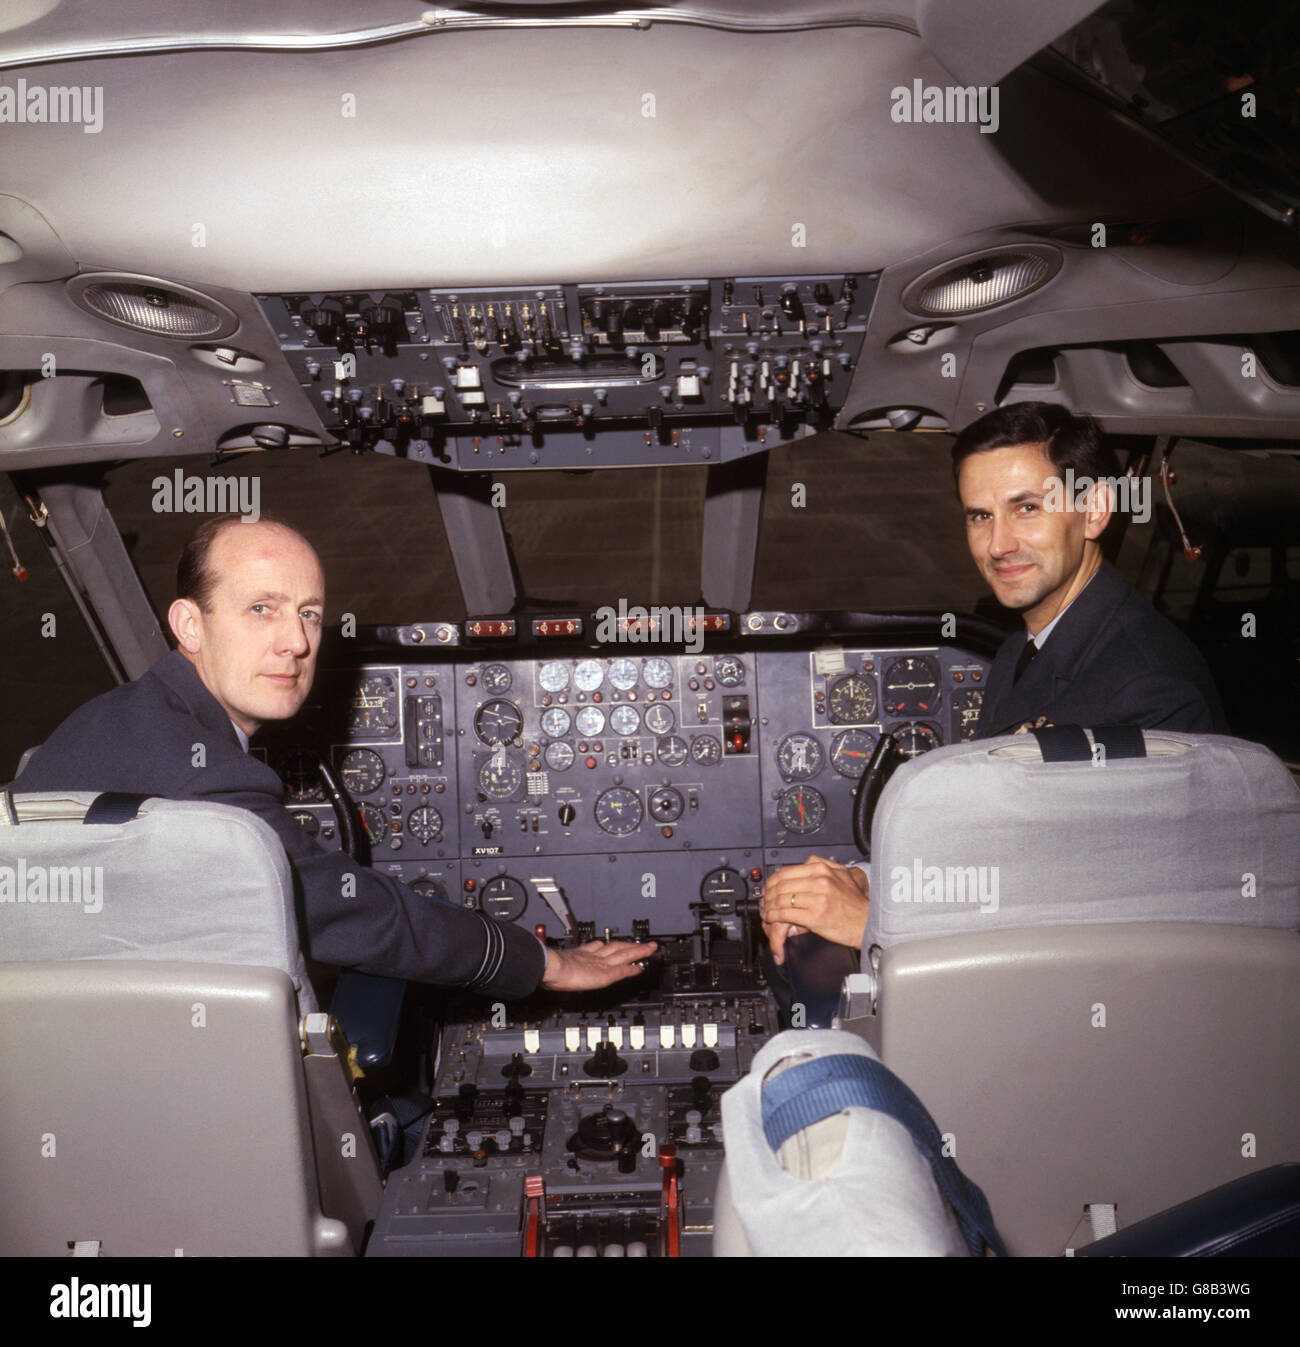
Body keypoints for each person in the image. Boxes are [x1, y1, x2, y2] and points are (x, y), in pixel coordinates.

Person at [13, 516, 653, 997]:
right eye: (260, 609)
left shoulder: (113, 720)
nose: (294, 642)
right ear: (189, 625)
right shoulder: (202, 778)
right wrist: (547, 962)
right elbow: (356, 916)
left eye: (310, 615)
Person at [760, 401, 1226, 964]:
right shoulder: (1021, 650)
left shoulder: (1150, 687)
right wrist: (865, 880)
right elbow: (1008, 852)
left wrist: (882, 924)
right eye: (980, 516)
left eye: (1025, 508)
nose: (998, 544)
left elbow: (1113, 924)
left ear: (1095, 509)